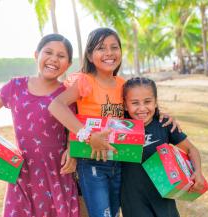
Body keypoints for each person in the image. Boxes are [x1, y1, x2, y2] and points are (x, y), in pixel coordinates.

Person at [49, 28, 178, 217]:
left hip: (118, 161)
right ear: (91, 56)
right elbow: (56, 105)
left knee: (114, 212)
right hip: (92, 160)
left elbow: (138, 109)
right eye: (101, 48)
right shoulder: (85, 81)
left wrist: (162, 116)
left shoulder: (122, 85)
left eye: (114, 47)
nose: (109, 53)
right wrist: (87, 136)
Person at [0, 34, 80, 217]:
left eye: (61, 56)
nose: (54, 59)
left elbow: (73, 130)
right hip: (21, 172)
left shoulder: (67, 94)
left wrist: (72, 150)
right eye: (48, 52)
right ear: (36, 55)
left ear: (68, 64)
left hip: (57, 173)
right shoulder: (15, 86)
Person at [120, 77, 205, 217]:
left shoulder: (164, 124)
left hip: (164, 199)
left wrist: (198, 172)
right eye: (135, 103)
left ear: (155, 102)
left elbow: (191, 149)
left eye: (147, 102)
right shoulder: (119, 127)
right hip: (133, 202)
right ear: (125, 105)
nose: (142, 108)